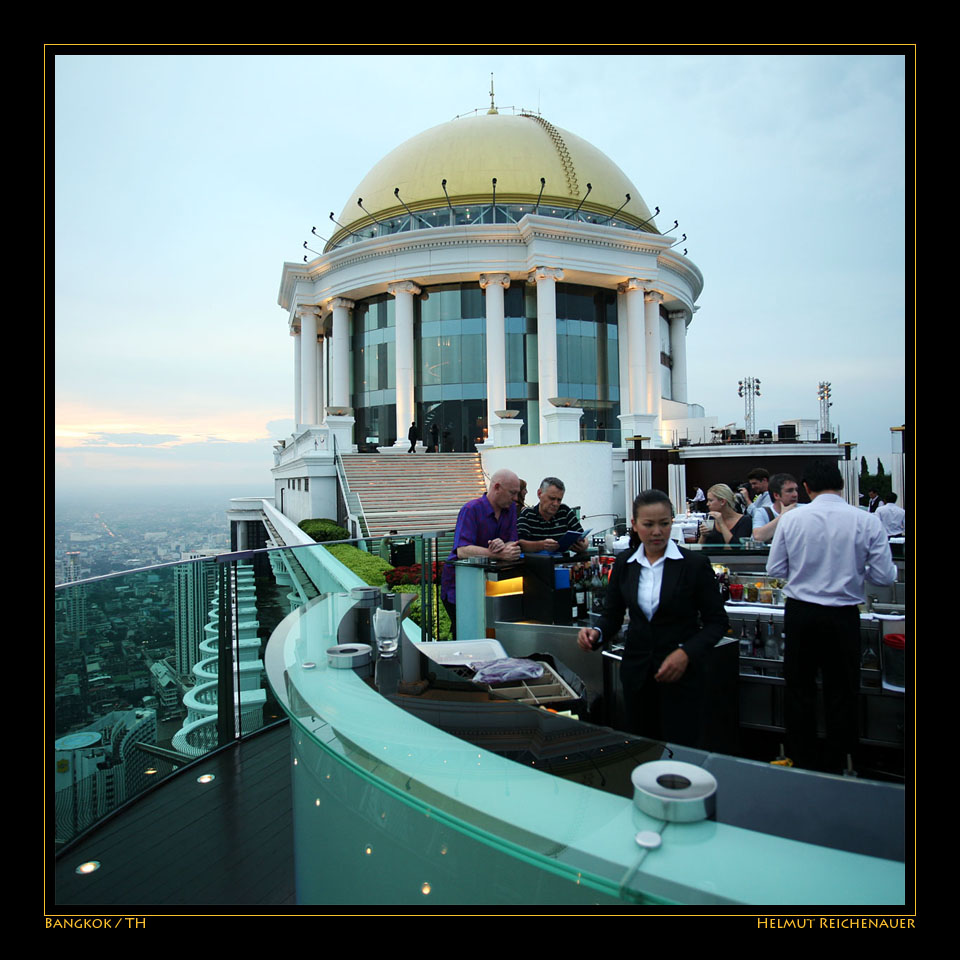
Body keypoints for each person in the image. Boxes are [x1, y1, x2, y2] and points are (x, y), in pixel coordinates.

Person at [767, 460, 898, 772]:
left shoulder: (793, 519)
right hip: (843, 616)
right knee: (843, 692)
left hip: (801, 614)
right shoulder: (865, 520)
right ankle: (839, 762)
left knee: (799, 690)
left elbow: (775, 570)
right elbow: (884, 576)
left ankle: (801, 759)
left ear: (808, 488)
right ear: (841, 485)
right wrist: (854, 569)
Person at [577, 490, 728, 748]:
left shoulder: (693, 564)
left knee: (680, 749)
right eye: (648, 524)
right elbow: (612, 615)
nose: (657, 531)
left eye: (664, 523)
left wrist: (685, 653)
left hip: (682, 678)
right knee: (641, 748)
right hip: (637, 675)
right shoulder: (624, 564)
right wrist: (597, 633)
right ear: (634, 525)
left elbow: (717, 622)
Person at [440, 469, 522, 638]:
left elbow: (512, 541)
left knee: (488, 631)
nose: (515, 498)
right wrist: (498, 554)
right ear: (497, 487)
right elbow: (462, 550)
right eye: (512, 493)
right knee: (467, 633)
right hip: (460, 586)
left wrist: (503, 545)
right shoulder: (471, 509)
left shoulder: (510, 509)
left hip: (489, 585)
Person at [517, 477, 588, 553]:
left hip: (562, 562)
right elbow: (520, 543)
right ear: (539, 494)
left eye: (559, 500)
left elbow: (582, 535)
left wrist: (584, 545)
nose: (555, 504)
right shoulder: (527, 514)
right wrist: (541, 545)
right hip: (535, 562)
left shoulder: (564, 511)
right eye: (552, 498)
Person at [751, 473, 800, 543]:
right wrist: (782, 515)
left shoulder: (805, 509)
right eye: (789, 491)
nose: (795, 494)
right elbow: (758, 537)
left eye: (796, 490)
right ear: (776, 495)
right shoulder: (763, 512)